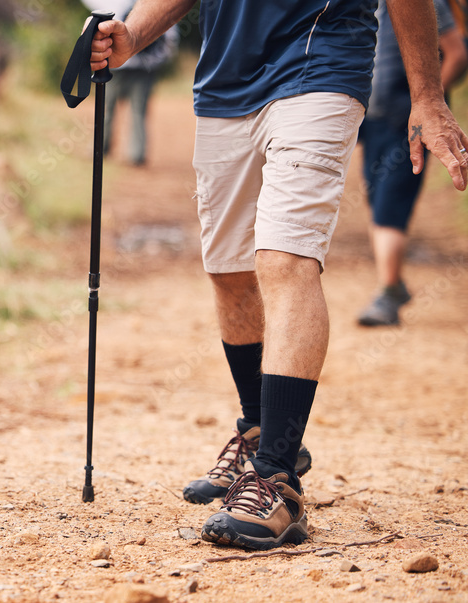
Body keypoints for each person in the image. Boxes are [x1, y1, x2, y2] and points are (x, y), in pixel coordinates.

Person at [90, 0, 468, 550]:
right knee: (229, 271)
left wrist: (428, 95)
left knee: (285, 258)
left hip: (321, 63)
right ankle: (258, 430)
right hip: (225, 78)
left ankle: (276, 479)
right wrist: (134, 34)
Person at [357, 1, 468, 326]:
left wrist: (425, 107)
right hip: (375, 118)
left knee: (390, 204)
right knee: (376, 199)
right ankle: (393, 284)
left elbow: (456, 52)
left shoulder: (427, 4)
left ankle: (388, 293)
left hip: (407, 122)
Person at [103, 10, 179, 166]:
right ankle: (136, 153)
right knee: (137, 111)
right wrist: (151, 61)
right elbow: (170, 42)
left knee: (108, 109)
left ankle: (102, 149)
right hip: (140, 70)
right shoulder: (158, 9)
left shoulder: (114, 7)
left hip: (117, 69)